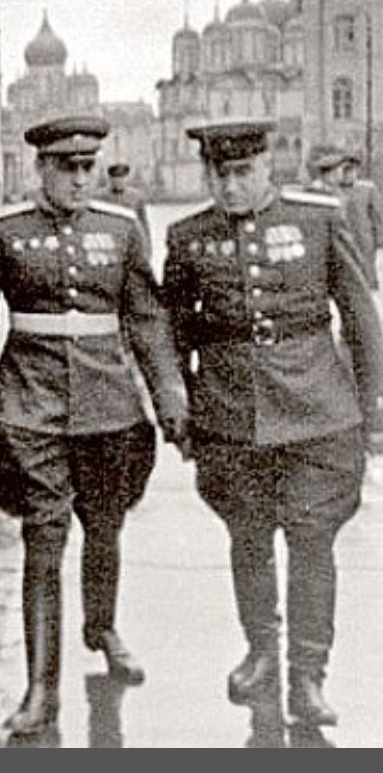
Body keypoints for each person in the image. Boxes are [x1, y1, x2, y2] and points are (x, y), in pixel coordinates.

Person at [0, 114, 188, 737]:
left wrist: (168, 393)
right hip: (31, 406)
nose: (80, 179)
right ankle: (40, 689)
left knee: (105, 530)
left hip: (109, 408)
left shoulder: (121, 229)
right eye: (68, 168)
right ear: (42, 169)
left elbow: (145, 317)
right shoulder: (5, 232)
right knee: (44, 538)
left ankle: (102, 627)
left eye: (88, 166)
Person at [162, 118, 383, 730]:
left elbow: (362, 321)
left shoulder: (318, 218)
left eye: (242, 173)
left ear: (267, 168)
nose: (231, 187)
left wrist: (374, 417)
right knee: (249, 540)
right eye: (219, 174)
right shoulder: (188, 238)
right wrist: (180, 402)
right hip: (232, 418)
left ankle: (308, 675)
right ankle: (261, 650)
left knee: (313, 545)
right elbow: (173, 330)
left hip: (318, 414)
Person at [337, 150, 383, 292]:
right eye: (345, 171)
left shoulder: (367, 189)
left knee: (367, 277)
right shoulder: (334, 190)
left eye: (352, 170)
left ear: (357, 171)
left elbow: (377, 216)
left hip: (364, 239)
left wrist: (380, 239)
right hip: (342, 240)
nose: (348, 174)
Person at [102, 162, 150, 232]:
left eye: (122, 177)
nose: (118, 181)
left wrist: (147, 241)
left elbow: (143, 222)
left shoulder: (137, 196)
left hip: (131, 237)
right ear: (110, 179)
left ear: (127, 178)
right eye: (115, 177)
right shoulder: (101, 196)